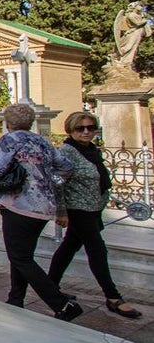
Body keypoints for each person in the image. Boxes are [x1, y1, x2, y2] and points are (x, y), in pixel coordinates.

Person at [0, 103, 79, 320]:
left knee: (20, 257)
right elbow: (66, 166)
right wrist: (51, 181)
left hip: (21, 204)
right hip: (44, 205)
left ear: (8, 122)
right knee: (22, 255)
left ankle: (60, 303)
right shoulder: (41, 140)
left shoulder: (10, 139)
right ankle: (15, 299)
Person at [50, 112, 141, 319]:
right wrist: (61, 211)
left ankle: (50, 287)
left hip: (93, 208)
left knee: (68, 247)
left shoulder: (91, 150)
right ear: (70, 130)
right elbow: (57, 182)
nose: (86, 132)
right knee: (97, 250)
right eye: (80, 128)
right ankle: (113, 297)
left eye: (90, 127)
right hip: (78, 209)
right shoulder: (67, 152)